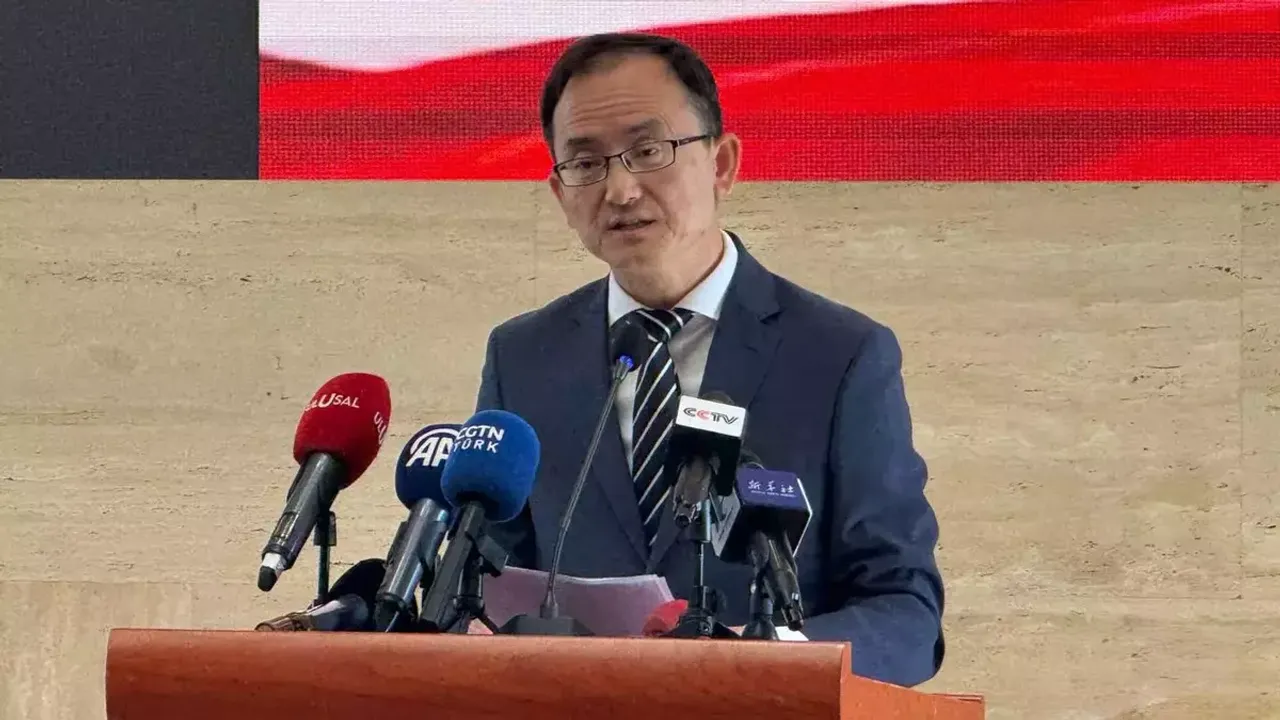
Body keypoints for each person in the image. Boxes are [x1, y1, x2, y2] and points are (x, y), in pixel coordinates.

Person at [474, 32, 945, 687]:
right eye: (585, 163)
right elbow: (486, 575)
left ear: (722, 164)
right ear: (559, 193)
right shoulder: (524, 357)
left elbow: (906, 611)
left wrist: (764, 658)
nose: (620, 189)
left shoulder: (839, 355)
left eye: (648, 151)